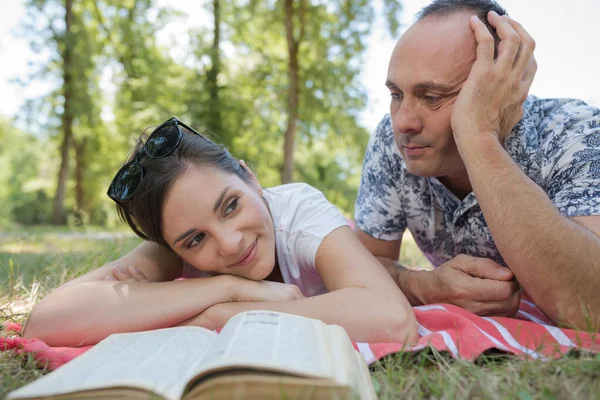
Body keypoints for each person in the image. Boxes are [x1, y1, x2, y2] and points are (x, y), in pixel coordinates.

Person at [22, 117, 417, 347]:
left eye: (231, 205)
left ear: (251, 179)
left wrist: (223, 316)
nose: (230, 244)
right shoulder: (172, 249)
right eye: (195, 239)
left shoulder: (298, 211)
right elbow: (46, 322)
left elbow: (393, 320)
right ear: (172, 245)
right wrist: (224, 289)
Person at [355, 0, 600, 330]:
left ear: (502, 87)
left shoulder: (574, 133)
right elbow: (365, 266)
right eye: (397, 94)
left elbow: (591, 309)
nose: (403, 122)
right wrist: (421, 286)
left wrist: (480, 137)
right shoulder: (390, 141)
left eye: (431, 97)